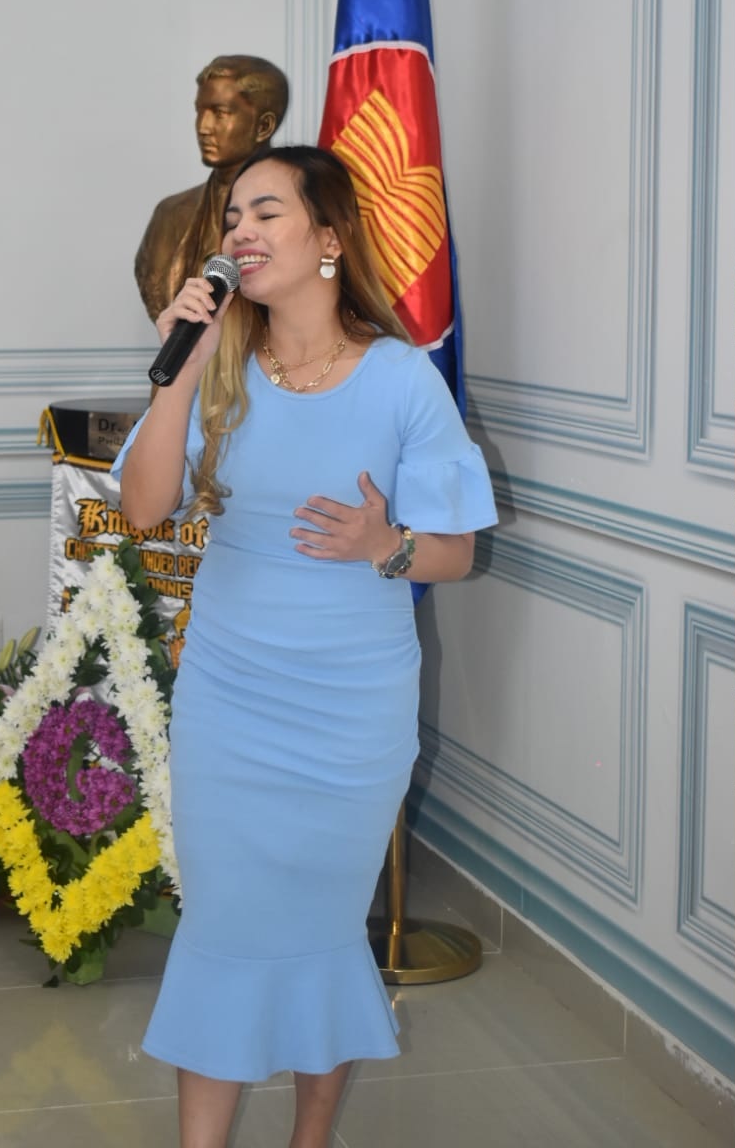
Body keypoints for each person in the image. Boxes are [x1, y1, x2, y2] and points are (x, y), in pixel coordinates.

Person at [114, 143, 497, 1146]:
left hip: (350, 713)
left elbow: (455, 553)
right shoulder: (216, 367)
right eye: (232, 216)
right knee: (224, 924)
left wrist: (383, 544)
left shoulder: (402, 379)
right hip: (230, 698)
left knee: (322, 928)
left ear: (328, 238)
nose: (239, 231)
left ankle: (309, 1138)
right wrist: (178, 369)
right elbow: (144, 509)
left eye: (266, 211)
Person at [133, 55, 289, 322]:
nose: (203, 127)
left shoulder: (300, 213)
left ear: (263, 127)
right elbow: (159, 296)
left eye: (220, 113)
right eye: (199, 111)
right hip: (188, 348)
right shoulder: (169, 216)